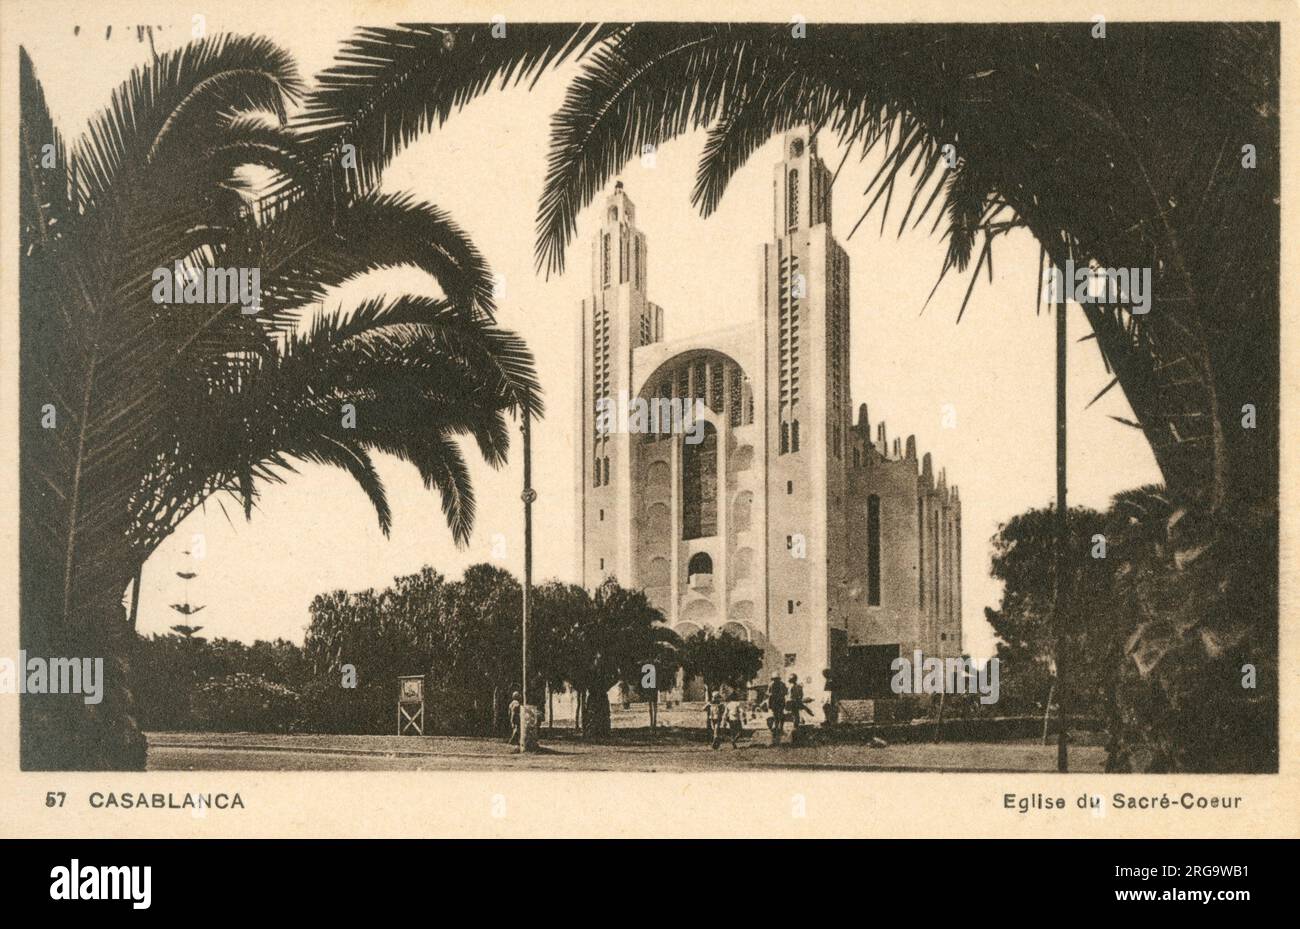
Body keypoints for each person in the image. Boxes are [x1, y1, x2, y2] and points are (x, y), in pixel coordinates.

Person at [767, 673, 787, 743]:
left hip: (778, 701)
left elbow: (785, 693)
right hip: (776, 702)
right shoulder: (772, 685)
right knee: (776, 715)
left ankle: (780, 728)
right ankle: (777, 728)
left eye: (776, 679)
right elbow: (770, 695)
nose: (776, 680)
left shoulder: (781, 684)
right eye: (775, 679)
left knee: (780, 715)